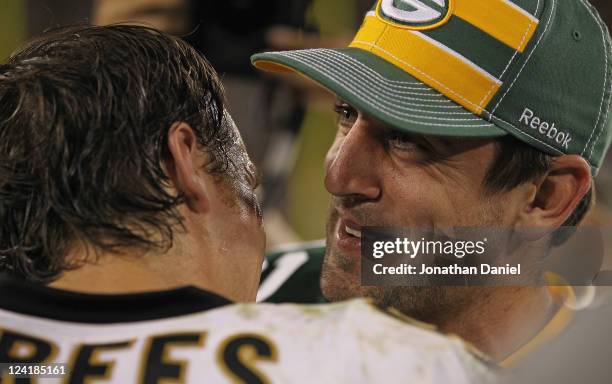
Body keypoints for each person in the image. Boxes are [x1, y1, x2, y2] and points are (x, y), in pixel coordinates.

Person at [0, 25, 492, 383]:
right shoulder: (379, 364)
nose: (335, 174)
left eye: (409, 139)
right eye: (246, 182)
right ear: (184, 161)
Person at [253, 0, 612, 365]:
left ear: (546, 198)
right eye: (346, 113)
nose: (338, 176)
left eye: (407, 140)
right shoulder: (258, 296)